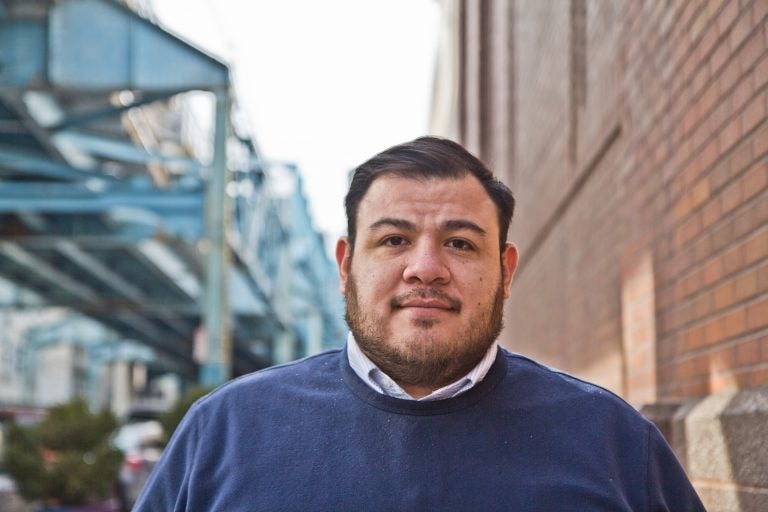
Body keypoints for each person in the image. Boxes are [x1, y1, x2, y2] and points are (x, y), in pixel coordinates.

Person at [134, 137, 705, 511]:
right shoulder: (225, 431)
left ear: (505, 271)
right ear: (345, 265)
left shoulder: (612, 441)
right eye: (393, 240)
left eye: (459, 242)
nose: (425, 269)